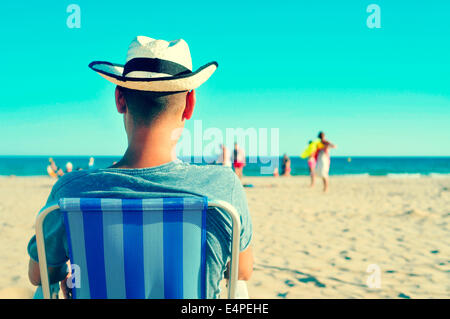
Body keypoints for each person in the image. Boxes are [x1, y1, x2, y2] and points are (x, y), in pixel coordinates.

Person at [26, 36, 253, 299]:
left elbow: (38, 273)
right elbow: (242, 270)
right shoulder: (223, 189)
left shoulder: (70, 192)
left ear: (119, 99)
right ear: (190, 105)